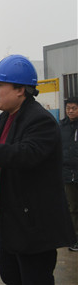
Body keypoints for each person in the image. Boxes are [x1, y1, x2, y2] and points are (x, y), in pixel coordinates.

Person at [0, 55, 76, 285]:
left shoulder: (41, 120)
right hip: (10, 222)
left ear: (20, 90)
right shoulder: (8, 117)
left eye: (0, 84)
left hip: (34, 226)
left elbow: (25, 154)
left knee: (34, 278)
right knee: (11, 277)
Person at [62, 97, 78, 251]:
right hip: (67, 174)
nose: (70, 111)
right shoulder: (62, 126)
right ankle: (74, 239)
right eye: (68, 108)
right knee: (71, 208)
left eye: (74, 108)